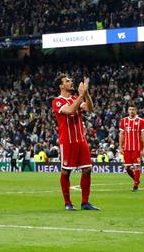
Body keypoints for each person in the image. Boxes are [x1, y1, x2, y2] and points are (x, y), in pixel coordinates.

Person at [52, 74, 99, 211]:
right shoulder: (57, 101)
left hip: (81, 140)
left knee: (87, 169)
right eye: (67, 81)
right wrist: (81, 95)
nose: (71, 82)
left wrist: (87, 94)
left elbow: (90, 109)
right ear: (61, 86)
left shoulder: (74, 98)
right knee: (66, 172)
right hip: (67, 141)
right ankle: (68, 203)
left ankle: (85, 202)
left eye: (71, 80)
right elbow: (71, 110)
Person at [119, 105, 144, 191]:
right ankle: (136, 180)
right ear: (128, 110)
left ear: (136, 111)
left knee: (137, 166)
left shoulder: (141, 121)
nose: (131, 111)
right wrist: (120, 147)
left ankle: (135, 185)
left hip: (137, 148)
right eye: (130, 109)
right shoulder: (123, 121)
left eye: (133, 110)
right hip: (127, 148)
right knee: (127, 167)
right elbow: (121, 134)